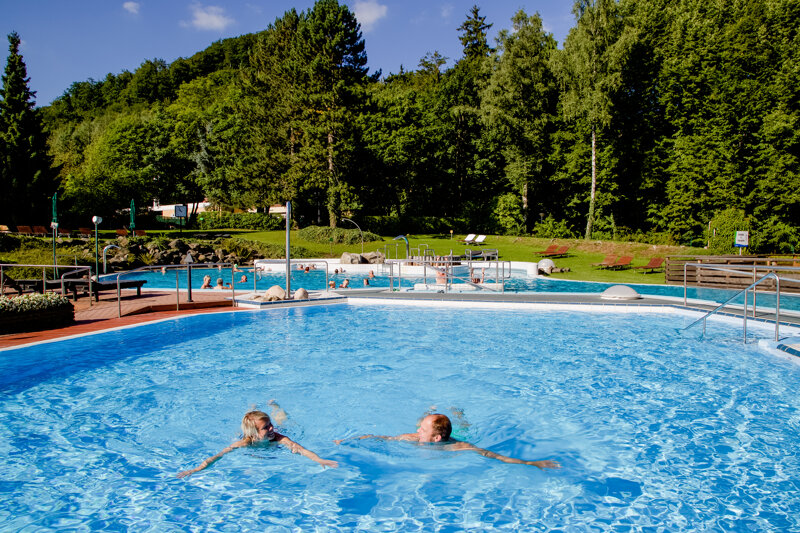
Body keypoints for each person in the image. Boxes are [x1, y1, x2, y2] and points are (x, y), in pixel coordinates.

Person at [334, 414, 559, 469]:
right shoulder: (413, 438)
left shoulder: (458, 446)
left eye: (422, 429)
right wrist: (350, 440)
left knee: (466, 428)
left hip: (456, 438)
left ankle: (459, 415)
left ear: (437, 438)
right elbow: (382, 438)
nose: (416, 431)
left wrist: (532, 463)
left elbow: (494, 455)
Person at [178, 407, 338, 478]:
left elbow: (301, 450)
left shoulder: (278, 437)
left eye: (270, 424)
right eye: (266, 427)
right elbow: (218, 456)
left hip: (267, 444)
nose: (271, 428)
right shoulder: (244, 443)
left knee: (285, 422)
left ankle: (276, 407)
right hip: (251, 443)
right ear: (254, 434)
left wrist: (318, 460)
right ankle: (252, 409)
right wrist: (197, 469)